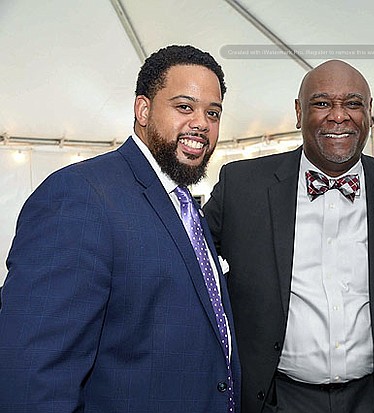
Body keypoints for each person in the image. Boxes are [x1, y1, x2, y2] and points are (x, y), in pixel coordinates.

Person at [0, 45, 240, 412]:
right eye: (184, 107)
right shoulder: (80, 195)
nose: (201, 124)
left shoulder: (185, 203)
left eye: (213, 113)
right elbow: (34, 375)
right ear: (143, 110)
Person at [203, 60, 374, 413]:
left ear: (369, 111)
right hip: (276, 397)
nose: (338, 116)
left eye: (352, 103)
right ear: (298, 111)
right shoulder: (243, 187)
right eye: (322, 103)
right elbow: (189, 260)